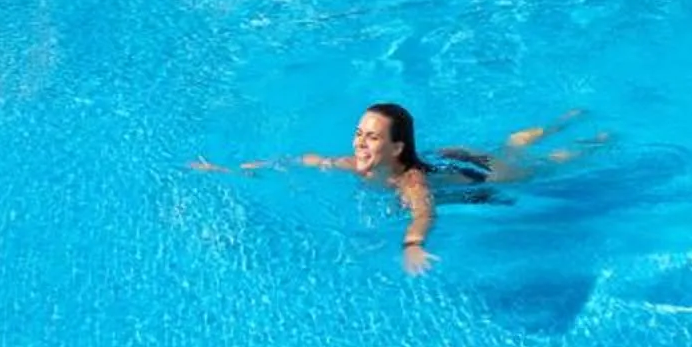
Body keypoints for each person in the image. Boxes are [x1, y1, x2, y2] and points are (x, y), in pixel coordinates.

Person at [190, 105, 595, 274]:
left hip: (484, 175)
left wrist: (412, 245)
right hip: (451, 156)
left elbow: (423, 212)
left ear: (397, 148)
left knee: (537, 167)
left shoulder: (410, 181)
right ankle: (561, 121)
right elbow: (300, 161)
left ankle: (590, 140)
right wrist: (228, 170)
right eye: (358, 134)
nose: (360, 144)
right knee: (510, 143)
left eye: (372, 138)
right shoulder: (354, 165)